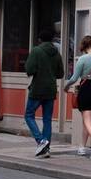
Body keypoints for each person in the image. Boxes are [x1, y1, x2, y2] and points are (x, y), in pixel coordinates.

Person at [24, 28, 65, 157]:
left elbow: (29, 69)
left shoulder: (36, 51)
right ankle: (46, 148)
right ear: (52, 39)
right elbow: (60, 73)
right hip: (51, 90)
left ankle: (41, 141)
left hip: (37, 89)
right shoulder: (56, 53)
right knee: (47, 119)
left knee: (29, 115)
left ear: (40, 39)